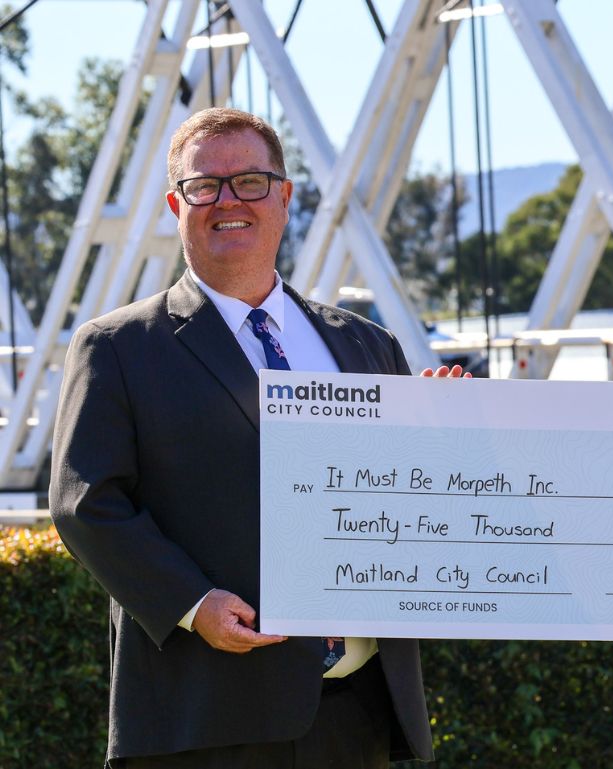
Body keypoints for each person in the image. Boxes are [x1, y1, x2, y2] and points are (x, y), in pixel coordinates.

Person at [49, 108, 451, 768]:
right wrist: (192, 603)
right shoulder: (117, 347)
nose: (228, 200)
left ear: (284, 197)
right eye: (205, 185)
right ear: (177, 204)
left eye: (251, 182)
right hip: (207, 713)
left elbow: (405, 496)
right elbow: (85, 503)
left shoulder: (367, 344)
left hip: (361, 713)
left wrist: (446, 432)